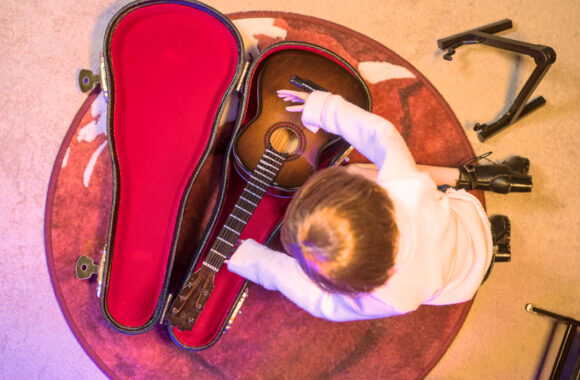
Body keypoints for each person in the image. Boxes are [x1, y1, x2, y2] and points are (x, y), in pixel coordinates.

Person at [226, 90, 531, 322]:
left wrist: (258, 262)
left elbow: (325, 305)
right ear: (375, 195)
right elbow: (381, 135)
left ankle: (491, 208)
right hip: (468, 227)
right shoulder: (405, 188)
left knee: (355, 170)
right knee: (354, 170)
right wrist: (324, 107)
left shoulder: (385, 298)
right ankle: (486, 180)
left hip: (460, 285)